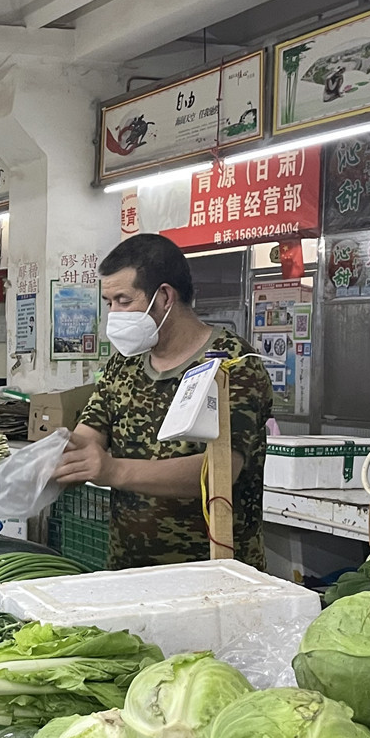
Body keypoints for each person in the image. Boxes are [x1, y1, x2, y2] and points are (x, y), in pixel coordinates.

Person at [54, 233, 273, 570]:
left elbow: (221, 469)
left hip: (213, 571)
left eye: (124, 301)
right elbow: (89, 433)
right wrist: (52, 457)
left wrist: (114, 469)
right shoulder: (123, 364)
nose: (113, 314)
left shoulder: (233, 364)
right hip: (128, 568)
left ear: (165, 296)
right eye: (108, 302)